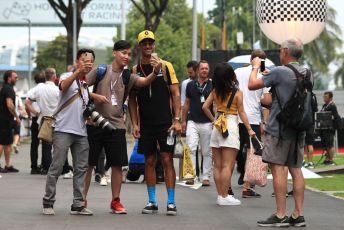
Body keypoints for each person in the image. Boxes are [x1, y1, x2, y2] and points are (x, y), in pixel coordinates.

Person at [84, 40, 161, 214]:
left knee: (118, 165)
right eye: (123, 53)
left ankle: (115, 201)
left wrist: (155, 71)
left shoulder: (128, 76)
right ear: (114, 53)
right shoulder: (101, 70)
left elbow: (144, 82)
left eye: (128, 54)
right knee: (88, 164)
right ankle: (82, 199)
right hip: (95, 123)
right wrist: (94, 95)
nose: (126, 57)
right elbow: (80, 87)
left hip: (117, 126)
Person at [249, 38, 309, 227]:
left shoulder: (279, 72)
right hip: (298, 128)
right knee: (296, 169)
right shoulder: (307, 72)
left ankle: (281, 214)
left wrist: (255, 67)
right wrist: (272, 76)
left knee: (277, 169)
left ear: (285, 51)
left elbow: (252, 85)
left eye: (279, 49)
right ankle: (297, 214)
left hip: (279, 129)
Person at [129, 30, 182, 216]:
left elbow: (175, 93)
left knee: (167, 159)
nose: (148, 46)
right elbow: (132, 100)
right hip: (146, 125)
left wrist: (177, 119)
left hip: (165, 122)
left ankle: (171, 201)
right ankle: (152, 201)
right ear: (140, 46)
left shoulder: (166, 66)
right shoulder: (135, 70)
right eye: (144, 43)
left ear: (154, 44)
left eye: (150, 43)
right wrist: (135, 124)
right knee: (149, 160)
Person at [42, 49, 95, 216]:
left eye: (91, 61)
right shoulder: (67, 76)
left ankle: (78, 204)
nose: (88, 63)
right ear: (77, 61)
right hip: (63, 130)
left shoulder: (86, 85)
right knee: (56, 167)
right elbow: (63, 88)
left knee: (81, 168)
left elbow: (81, 107)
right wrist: (77, 71)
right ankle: (48, 202)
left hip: (81, 132)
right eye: (85, 59)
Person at [202, 62, 255, 206]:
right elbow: (242, 113)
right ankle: (225, 196)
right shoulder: (237, 93)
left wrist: (214, 120)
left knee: (217, 165)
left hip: (218, 125)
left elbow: (205, 107)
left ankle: (220, 195)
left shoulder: (214, 92)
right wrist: (249, 129)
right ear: (231, 76)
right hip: (230, 126)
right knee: (228, 165)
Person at [235, 49, 270, 198]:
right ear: (263, 62)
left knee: (234, 150)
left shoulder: (237, 71)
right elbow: (267, 102)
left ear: (251, 59)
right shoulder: (264, 76)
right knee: (252, 152)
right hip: (253, 118)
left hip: (236, 116)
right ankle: (246, 187)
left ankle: (227, 189)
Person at [182, 60, 213, 186]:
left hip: (207, 122)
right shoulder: (190, 85)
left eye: (206, 68)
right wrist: (183, 120)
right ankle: (191, 175)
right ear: (197, 70)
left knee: (206, 151)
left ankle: (206, 177)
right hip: (192, 121)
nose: (204, 70)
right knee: (190, 147)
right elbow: (186, 104)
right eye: (202, 68)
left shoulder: (212, 85)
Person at [27, 68, 59, 175]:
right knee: (56, 145)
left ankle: (41, 166)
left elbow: (28, 100)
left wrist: (35, 112)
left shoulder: (39, 89)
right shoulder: (57, 89)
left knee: (43, 144)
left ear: (45, 77)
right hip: (56, 119)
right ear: (54, 77)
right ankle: (52, 167)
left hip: (43, 119)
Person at [25, 71, 46, 174]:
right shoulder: (46, 89)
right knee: (46, 142)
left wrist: (33, 113)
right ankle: (44, 165)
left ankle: (34, 166)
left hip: (35, 119)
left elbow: (27, 104)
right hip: (45, 118)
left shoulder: (31, 90)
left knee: (34, 144)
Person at [0, 70, 20, 173]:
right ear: (9, 78)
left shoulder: (5, 87)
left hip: (5, 119)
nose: (17, 79)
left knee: (8, 143)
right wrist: (16, 116)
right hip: (5, 119)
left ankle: (8, 165)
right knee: (2, 143)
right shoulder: (8, 89)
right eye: (15, 77)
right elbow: (9, 104)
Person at [319, 91, 341, 165]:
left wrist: (335, 126)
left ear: (330, 98)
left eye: (326, 97)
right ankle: (327, 159)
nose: (324, 98)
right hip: (324, 128)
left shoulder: (332, 105)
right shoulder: (325, 105)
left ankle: (330, 159)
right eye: (324, 97)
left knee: (330, 144)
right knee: (326, 144)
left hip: (330, 128)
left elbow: (336, 117)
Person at [303, 92, 318, 168]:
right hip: (311, 121)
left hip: (304, 121)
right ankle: (310, 162)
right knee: (309, 143)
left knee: (304, 142)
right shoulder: (313, 95)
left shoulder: (304, 94)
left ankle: (305, 161)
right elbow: (316, 109)